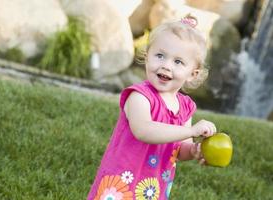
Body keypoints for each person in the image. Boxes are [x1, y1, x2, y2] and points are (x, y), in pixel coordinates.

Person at [87, 14, 217, 200]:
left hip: (151, 187)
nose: (166, 66)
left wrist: (194, 150)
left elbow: (179, 150)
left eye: (178, 62)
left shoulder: (185, 107)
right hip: (121, 182)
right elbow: (143, 130)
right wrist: (191, 130)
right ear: (147, 57)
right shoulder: (139, 96)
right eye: (160, 55)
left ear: (192, 74)